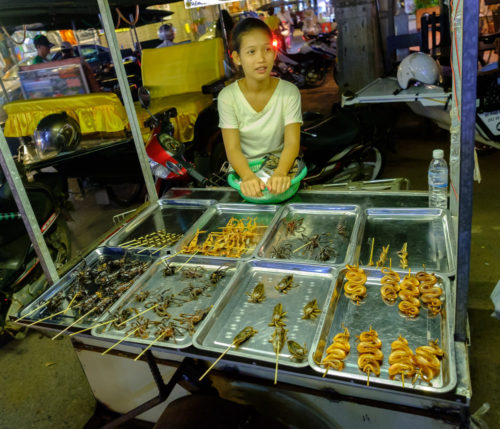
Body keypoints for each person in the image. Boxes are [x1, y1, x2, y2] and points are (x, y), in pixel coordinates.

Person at [218, 18, 302, 197]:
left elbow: (292, 142)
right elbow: (232, 148)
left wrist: (280, 173)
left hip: (282, 171)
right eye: (251, 52)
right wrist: (248, 177)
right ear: (237, 58)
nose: (261, 59)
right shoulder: (228, 97)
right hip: (245, 175)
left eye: (267, 50)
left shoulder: (289, 92)